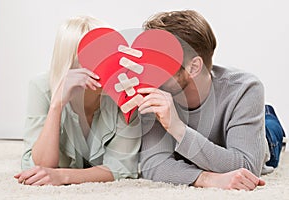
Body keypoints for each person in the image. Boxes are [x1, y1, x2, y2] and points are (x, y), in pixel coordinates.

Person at [138, 10, 269, 190]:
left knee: (270, 130)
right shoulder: (156, 89)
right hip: (214, 139)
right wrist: (208, 179)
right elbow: (152, 164)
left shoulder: (245, 88)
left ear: (193, 67)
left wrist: (177, 127)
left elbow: (247, 167)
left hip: (261, 133)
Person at [14, 16, 141, 186]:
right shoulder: (41, 87)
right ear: (71, 62)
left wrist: (63, 176)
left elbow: (122, 168)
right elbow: (40, 167)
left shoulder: (126, 92)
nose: (104, 64)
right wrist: (56, 106)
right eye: (94, 56)